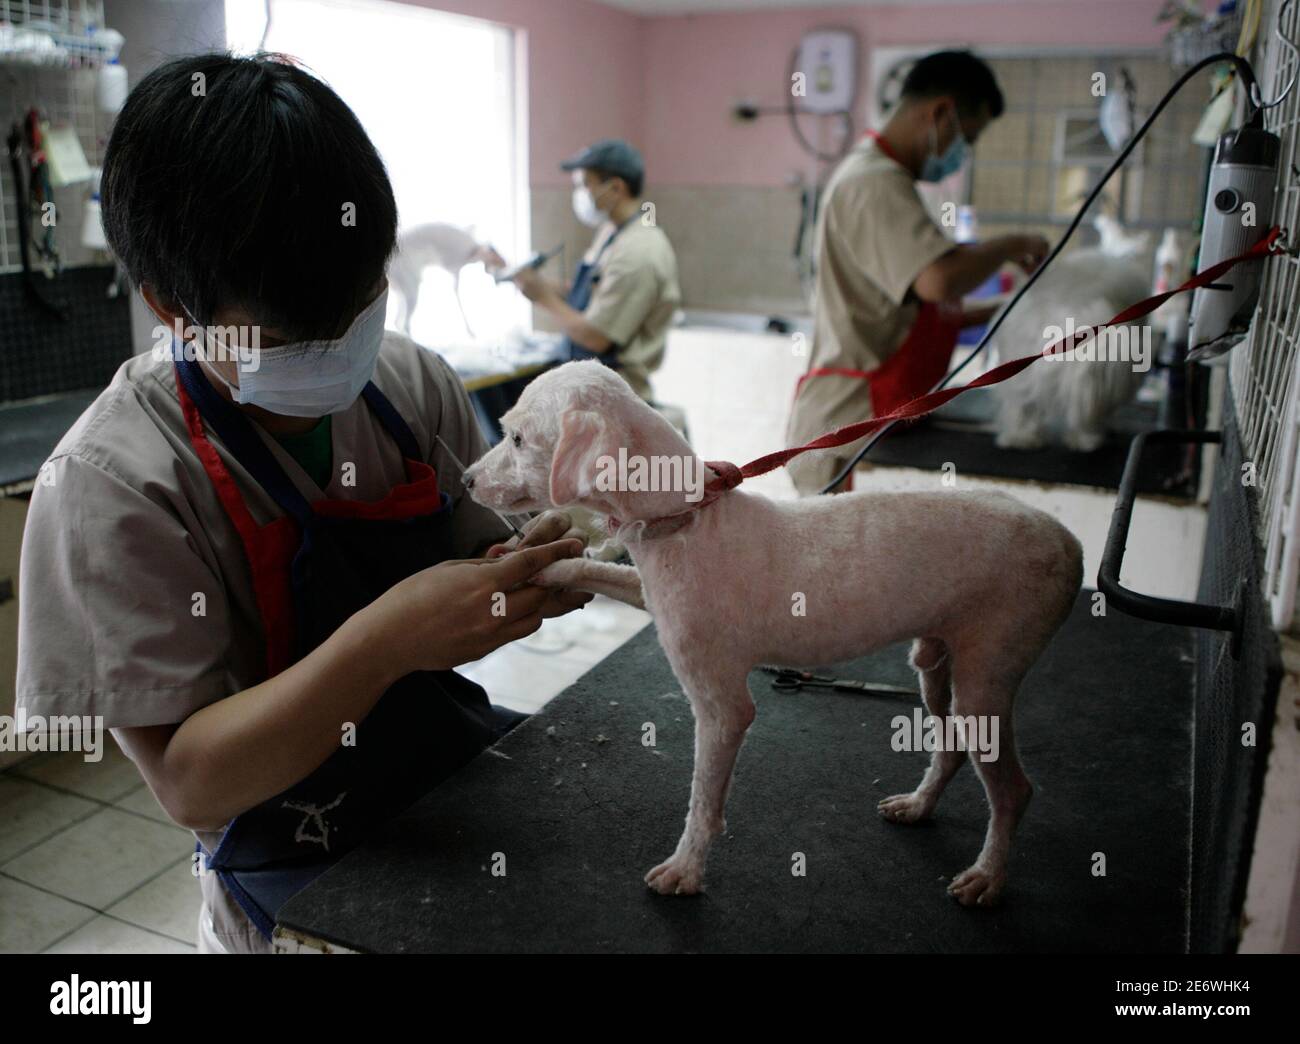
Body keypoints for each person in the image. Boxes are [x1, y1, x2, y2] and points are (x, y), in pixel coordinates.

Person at [14, 53, 590, 954]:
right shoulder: (113, 484)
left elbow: (487, 550)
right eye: (289, 338)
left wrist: (534, 564)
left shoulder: (406, 381)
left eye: (359, 305)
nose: (337, 349)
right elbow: (191, 783)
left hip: (449, 798)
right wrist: (392, 636)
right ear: (171, 305)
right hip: (292, 875)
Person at [785, 50, 1051, 495]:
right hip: (848, 432)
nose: (962, 155)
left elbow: (913, 314)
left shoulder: (888, 180)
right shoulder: (873, 182)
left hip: (876, 418)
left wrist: (1008, 309)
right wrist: (1011, 246)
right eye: (967, 138)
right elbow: (938, 281)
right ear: (941, 112)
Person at [511, 138, 681, 404]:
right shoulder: (613, 233)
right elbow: (591, 294)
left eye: (583, 185)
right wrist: (532, 282)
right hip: (588, 383)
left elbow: (597, 337)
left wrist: (543, 299)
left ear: (615, 187)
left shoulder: (638, 252)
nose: (579, 194)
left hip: (615, 398)